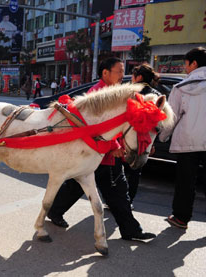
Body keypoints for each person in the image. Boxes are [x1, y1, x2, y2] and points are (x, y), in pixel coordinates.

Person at [47, 57, 156, 241]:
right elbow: (95, 128)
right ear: (105, 73)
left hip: (103, 153)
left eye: (123, 71)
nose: (123, 75)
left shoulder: (116, 93)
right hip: (98, 152)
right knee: (114, 190)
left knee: (88, 187)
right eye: (119, 71)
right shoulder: (96, 94)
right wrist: (114, 146)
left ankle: (54, 211)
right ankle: (131, 230)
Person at [159, 47, 206, 229]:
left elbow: (172, 117)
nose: (185, 67)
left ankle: (180, 218)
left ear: (193, 64)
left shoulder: (180, 88)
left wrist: (163, 137)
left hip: (187, 140)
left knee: (186, 182)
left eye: (186, 64)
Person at [125, 64, 162, 208]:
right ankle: (129, 201)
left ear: (139, 77)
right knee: (135, 171)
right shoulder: (157, 95)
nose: (132, 79)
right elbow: (158, 124)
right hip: (144, 140)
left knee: (120, 170)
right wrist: (152, 144)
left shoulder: (132, 92)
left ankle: (117, 200)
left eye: (133, 76)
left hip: (128, 137)